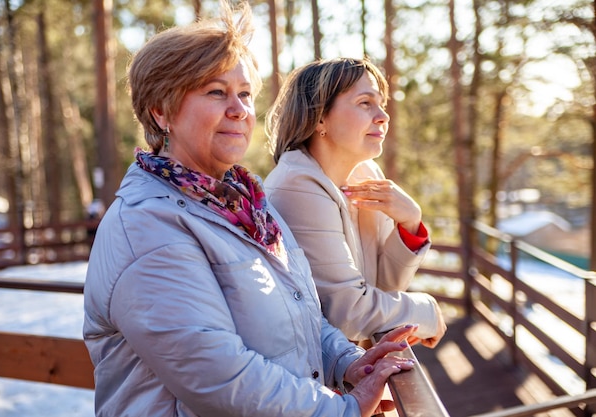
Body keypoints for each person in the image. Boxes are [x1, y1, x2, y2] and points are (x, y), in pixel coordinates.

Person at [83, 4, 418, 416]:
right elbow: (217, 375)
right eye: (216, 92)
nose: (240, 109)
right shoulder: (147, 225)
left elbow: (302, 316)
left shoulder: (250, 207)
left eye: (244, 94)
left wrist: (346, 362)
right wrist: (342, 411)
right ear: (161, 110)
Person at [264, 58, 447, 348]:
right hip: (316, 379)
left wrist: (410, 222)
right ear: (320, 118)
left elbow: (383, 290)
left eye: (382, 104)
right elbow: (349, 312)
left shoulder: (365, 175)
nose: (383, 116)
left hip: (357, 367)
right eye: (365, 103)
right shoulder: (297, 186)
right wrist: (426, 311)